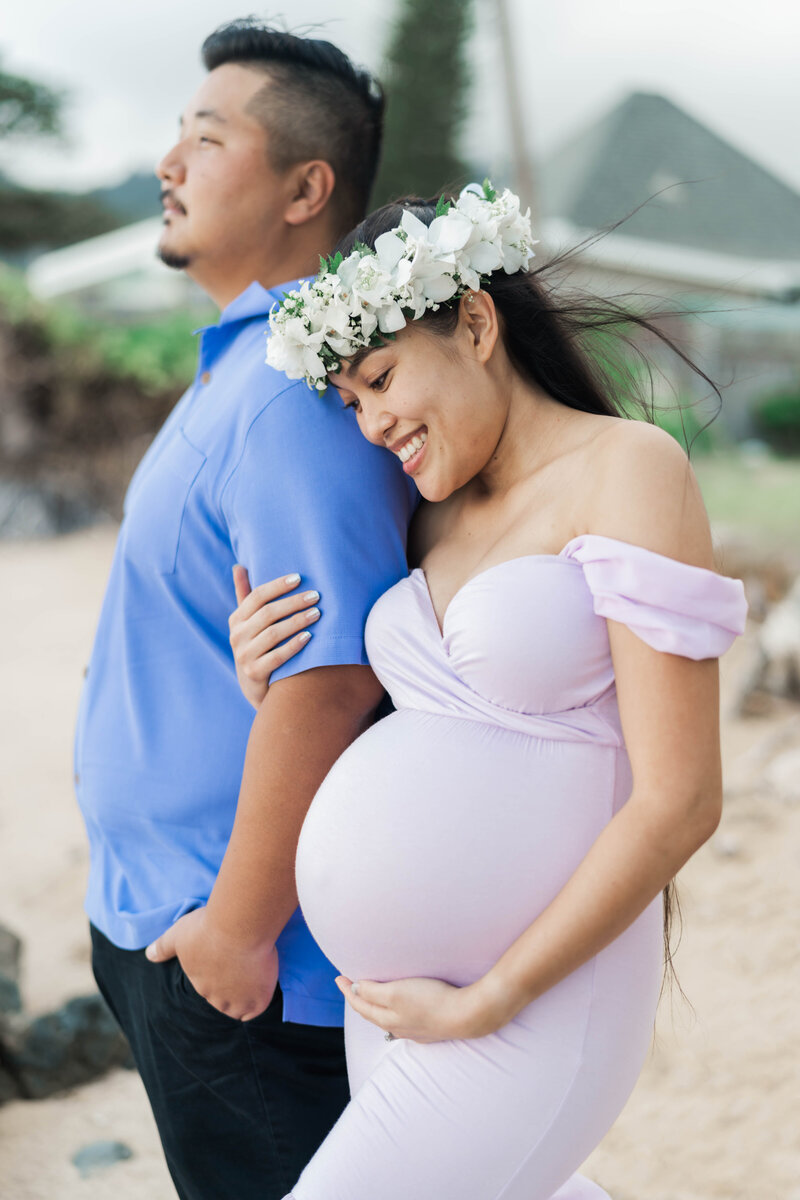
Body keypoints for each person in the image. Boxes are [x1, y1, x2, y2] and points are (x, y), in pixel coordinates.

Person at [226, 183, 748, 1199]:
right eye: (351, 403)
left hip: (528, 1005)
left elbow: (680, 799)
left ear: (472, 321)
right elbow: (429, 746)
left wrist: (493, 997)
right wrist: (269, 682)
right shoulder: (431, 518)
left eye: (379, 378)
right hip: (400, 1004)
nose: (373, 423)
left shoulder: (626, 469)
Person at [74, 20, 417, 1200]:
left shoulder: (294, 390)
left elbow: (330, 674)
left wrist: (234, 928)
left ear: (304, 188)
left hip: (245, 961)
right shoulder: (237, 365)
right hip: (173, 924)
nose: (170, 162)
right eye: (176, 132)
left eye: (206, 137)